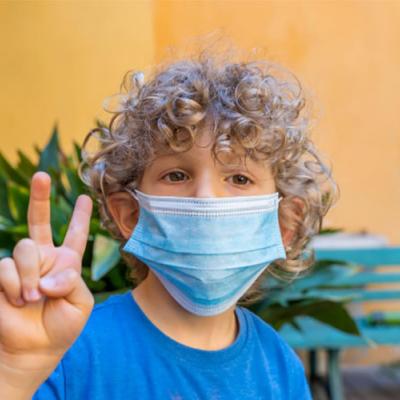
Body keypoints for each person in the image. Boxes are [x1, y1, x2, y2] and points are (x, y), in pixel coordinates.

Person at [0, 49, 336, 399]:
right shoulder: (67, 351)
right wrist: (13, 374)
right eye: (176, 174)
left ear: (284, 225)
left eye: (239, 178)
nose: (206, 198)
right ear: (130, 214)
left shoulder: (280, 368)